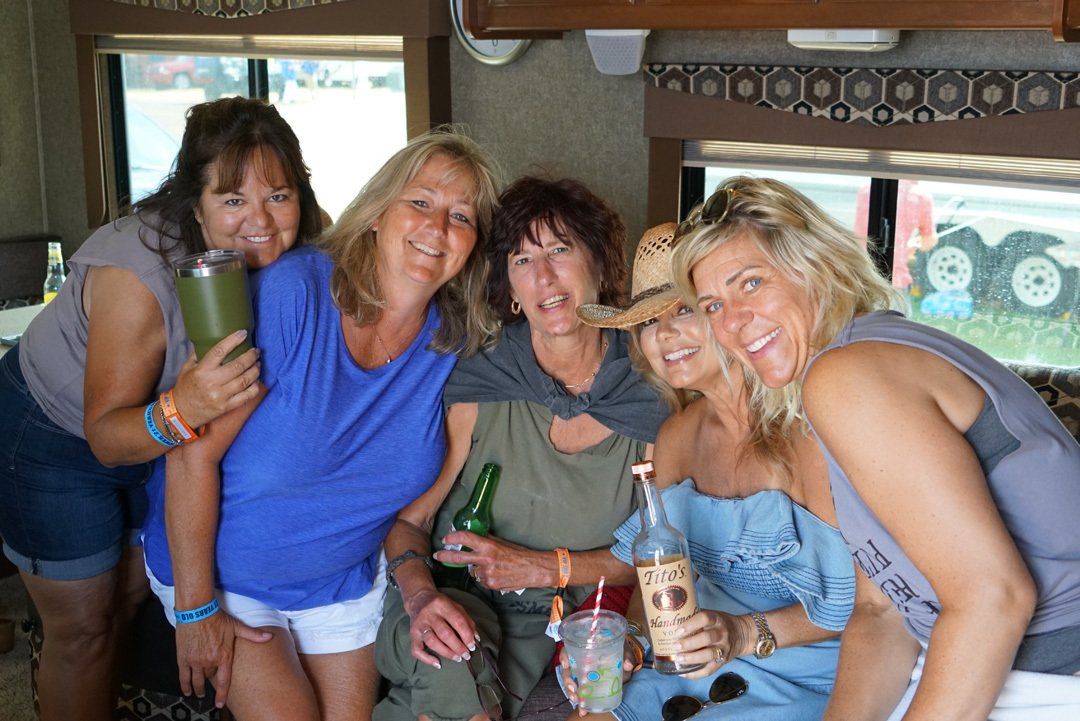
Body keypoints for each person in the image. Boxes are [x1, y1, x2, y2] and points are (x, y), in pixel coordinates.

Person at [671, 176, 1080, 721]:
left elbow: (992, 599)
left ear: (817, 266)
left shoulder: (848, 375)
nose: (733, 322)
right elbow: (881, 609)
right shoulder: (838, 374)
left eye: (750, 283)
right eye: (713, 305)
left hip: (1052, 674)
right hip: (993, 662)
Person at [140, 127, 502, 721]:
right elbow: (190, 455)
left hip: (341, 585)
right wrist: (196, 610)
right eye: (420, 202)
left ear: (473, 244)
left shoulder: (456, 344)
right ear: (377, 212)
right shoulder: (295, 293)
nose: (437, 229)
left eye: (460, 216)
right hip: (230, 576)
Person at [0, 96, 319, 721]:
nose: (259, 219)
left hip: (166, 435)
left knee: (127, 595)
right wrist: (185, 405)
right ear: (192, 204)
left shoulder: (295, 255)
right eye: (232, 200)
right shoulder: (137, 270)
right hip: (55, 435)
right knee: (85, 628)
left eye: (278, 196)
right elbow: (107, 437)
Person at [374, 176, 670, 721]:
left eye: (560, 250)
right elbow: (408, 524)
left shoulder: (650, 397)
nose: (545, 276)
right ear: (509, 287)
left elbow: (659, 558)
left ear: (601, 266)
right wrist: (420, 600)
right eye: (522, 260)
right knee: (451, 655)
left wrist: (540, 568)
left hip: (545, 627)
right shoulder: (482, 380)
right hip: (443, 599)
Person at [559, 223, 853, 721]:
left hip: (801, 671)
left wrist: (741, 633)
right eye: (648, 323)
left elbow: (868, 605)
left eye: (685, 311)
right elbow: (657, 580)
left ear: (730, 319)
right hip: (690, 664)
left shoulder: (809, 430)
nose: (665, 334)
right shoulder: (675, 436)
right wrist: (630, 642)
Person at [853, 179, 937, 294]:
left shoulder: (867, 189)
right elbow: (928, 240)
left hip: (861, 271)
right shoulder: (921, 197)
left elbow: (859, 232)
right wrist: (913, 244)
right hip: (895, 276)